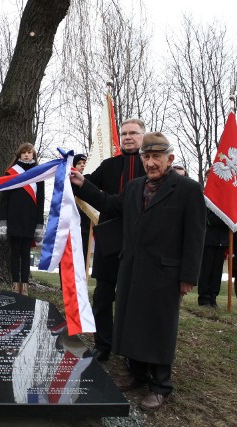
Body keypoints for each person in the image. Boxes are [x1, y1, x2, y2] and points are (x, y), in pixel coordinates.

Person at [71, 132, 206, 411]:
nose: (151, 163)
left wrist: (188, 278)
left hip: (165, 273)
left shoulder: (188, 189)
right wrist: (82, 183)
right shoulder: (134, 187)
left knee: (158, 326)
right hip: (132, 269)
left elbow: (195, 237)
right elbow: (109, 203)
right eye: (147, 157)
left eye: (157, 157)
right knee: (132, 322)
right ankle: (138, 375)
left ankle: (160, 385)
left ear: (170, 159)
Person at [81, 118, 146, 362]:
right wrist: (70, 175)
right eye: (124, 133)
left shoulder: (149, 165)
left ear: (143, 136)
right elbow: (86, 184)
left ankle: (131, 350)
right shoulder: (108, 165)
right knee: (102, 296)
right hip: (109, 240)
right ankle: (103, 345)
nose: (128, 137)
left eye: (133, 133)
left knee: (133, 299)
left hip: (140, 242)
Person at [0, 142, 45, 296]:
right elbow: (4, 200)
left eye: (29, 152)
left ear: (33, 155)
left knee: (26, 254)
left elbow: (41, 200)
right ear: (19, 154)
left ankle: (24, 286)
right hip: (13, 220)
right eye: (24, 152)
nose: (26, 154)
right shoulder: (11, 173)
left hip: (30, 220)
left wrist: (40, 223)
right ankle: (14, 284)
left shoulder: (39, 174)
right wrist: (3, 222)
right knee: (14, 253)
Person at [197, 207, 229, 308]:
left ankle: (213, 297)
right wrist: (224, 219)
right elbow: (208, 219)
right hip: (209, 240)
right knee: (206, 270)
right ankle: (203, 298)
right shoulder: (210, 202)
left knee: (217, 272)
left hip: (222, 241)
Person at [73, 154, 91, 266]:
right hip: (74, 220)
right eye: (79, 163)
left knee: (85, 251)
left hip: (86, 222)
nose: (82, 165)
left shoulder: (90, 181)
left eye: (84, 163)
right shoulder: (69, 181)